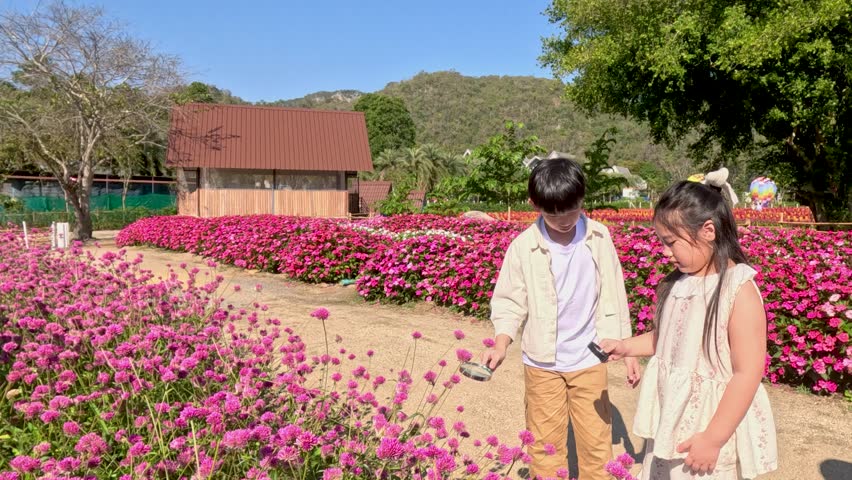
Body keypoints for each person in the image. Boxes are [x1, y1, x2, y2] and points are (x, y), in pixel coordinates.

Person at [600, 176, 778, 479]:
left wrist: (713, 438)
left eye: (671, 242)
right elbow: (668, 339)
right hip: (672, 415)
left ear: (708, 230)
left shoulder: (738, 289)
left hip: (709, 423)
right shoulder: (681, 283)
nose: (665, 252)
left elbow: (747, 373)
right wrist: (626, 346)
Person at [483, 157, 640, 480]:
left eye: (571, 210)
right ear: (534, 204)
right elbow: (510, 301)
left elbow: (614, 293)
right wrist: (501, 344)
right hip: (542, 363)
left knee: (597, 445)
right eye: (552, 214)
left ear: (582, 198)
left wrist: (628, 350)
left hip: (589, 359)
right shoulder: (523, 247)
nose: (564, 220)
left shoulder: (598, 238)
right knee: (544, 446)